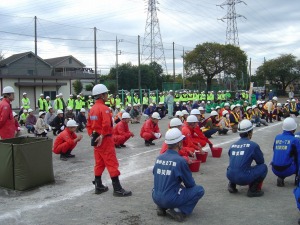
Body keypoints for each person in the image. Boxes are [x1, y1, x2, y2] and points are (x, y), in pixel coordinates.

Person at [86, 84, 132, 197]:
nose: (107, 95)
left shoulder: (92, 109)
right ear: (102, 95)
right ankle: (117, 189)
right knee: (111, 162)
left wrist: (93, 135)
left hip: (96, 139)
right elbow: (106, 125)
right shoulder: (105, 109)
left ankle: (98, 185)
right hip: (105, 139)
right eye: (106, 93)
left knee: (99, 163)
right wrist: (102, 135)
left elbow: (88, 125)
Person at [152, 128, 205, 222]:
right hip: (169, 199)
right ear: (179, 143)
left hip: (155, 196)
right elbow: (190, 184)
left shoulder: (159, 158)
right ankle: (178, 210)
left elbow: (156, 175)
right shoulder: (180, 160)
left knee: (167, 184)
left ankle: (161, 207)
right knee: (199, 190)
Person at [226, 119, 268, 197]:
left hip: (230, 175)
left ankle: (232, 184)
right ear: (249, 133)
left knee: (234, 165)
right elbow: (260, 162)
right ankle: (253, 190)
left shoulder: (233, 145)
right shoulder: (253, 145)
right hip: (243, 178)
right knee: (263, 167)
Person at [272, 117, 300, 187]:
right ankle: (297, 179)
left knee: (283, 154)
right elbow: (298, 157)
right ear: (294, 129)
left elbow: (274, 150)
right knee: (296, 157)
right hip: (288, 169)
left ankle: (281, 177)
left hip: (275, 169)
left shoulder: (277, 137)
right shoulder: (295, 140)